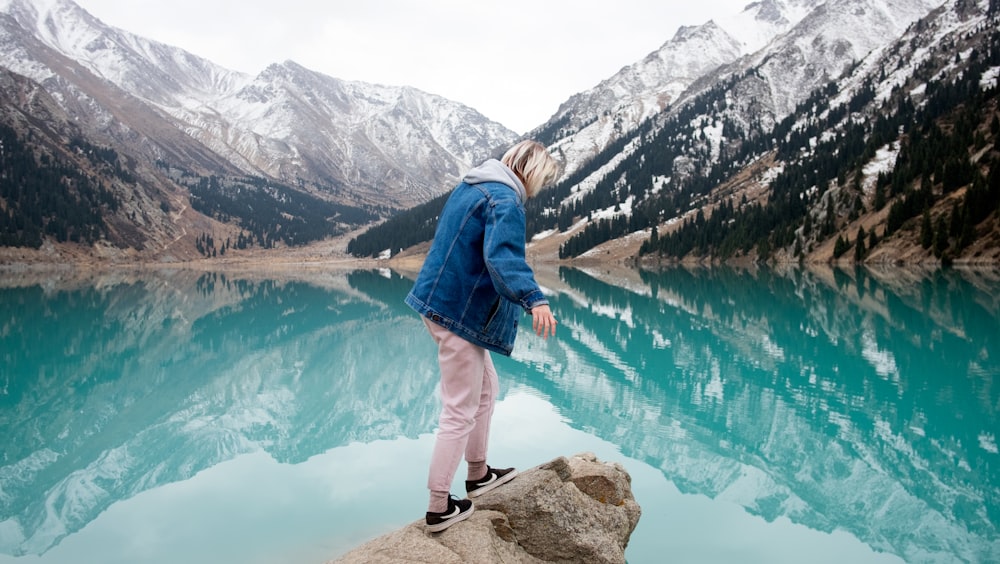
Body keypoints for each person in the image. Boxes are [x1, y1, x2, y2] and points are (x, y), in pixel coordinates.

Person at [404, 140, 561, 532]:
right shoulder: (505, 200)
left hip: (443, 305)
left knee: (487, 389)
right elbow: (503, 258)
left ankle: (478, 475)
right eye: (542, 181)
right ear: (532, 172)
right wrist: (534, 299)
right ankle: (438, 506)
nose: (538, 189)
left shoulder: (472, 186)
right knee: (460, 408)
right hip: (458, 312)